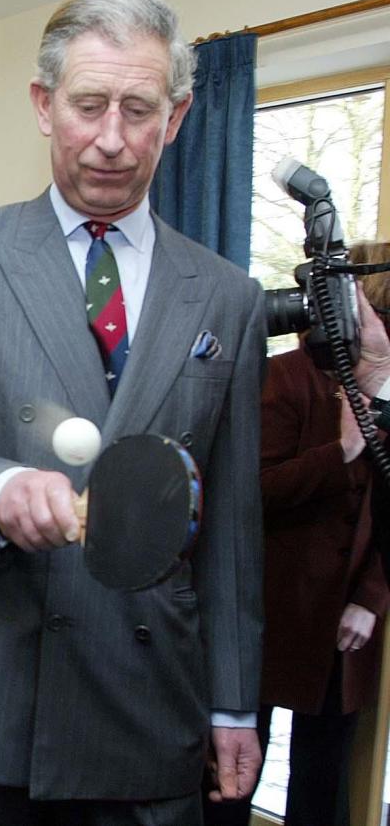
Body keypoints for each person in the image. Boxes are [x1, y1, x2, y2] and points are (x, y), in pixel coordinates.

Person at [0, 0, 265, 824]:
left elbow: (229, 519)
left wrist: (232, 703)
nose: (112, 140)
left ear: (179, 116)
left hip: (148, 712)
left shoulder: (227, 297)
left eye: (138, 110)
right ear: (45, 105)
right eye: (89, 105)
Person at [204, 241, 390, 826]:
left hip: (345, 620)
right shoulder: (279, 379)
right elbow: (245, 495)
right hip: (266, 608)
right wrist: (342, 451)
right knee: (233, 773)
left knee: (322, 778)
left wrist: (370, 598)